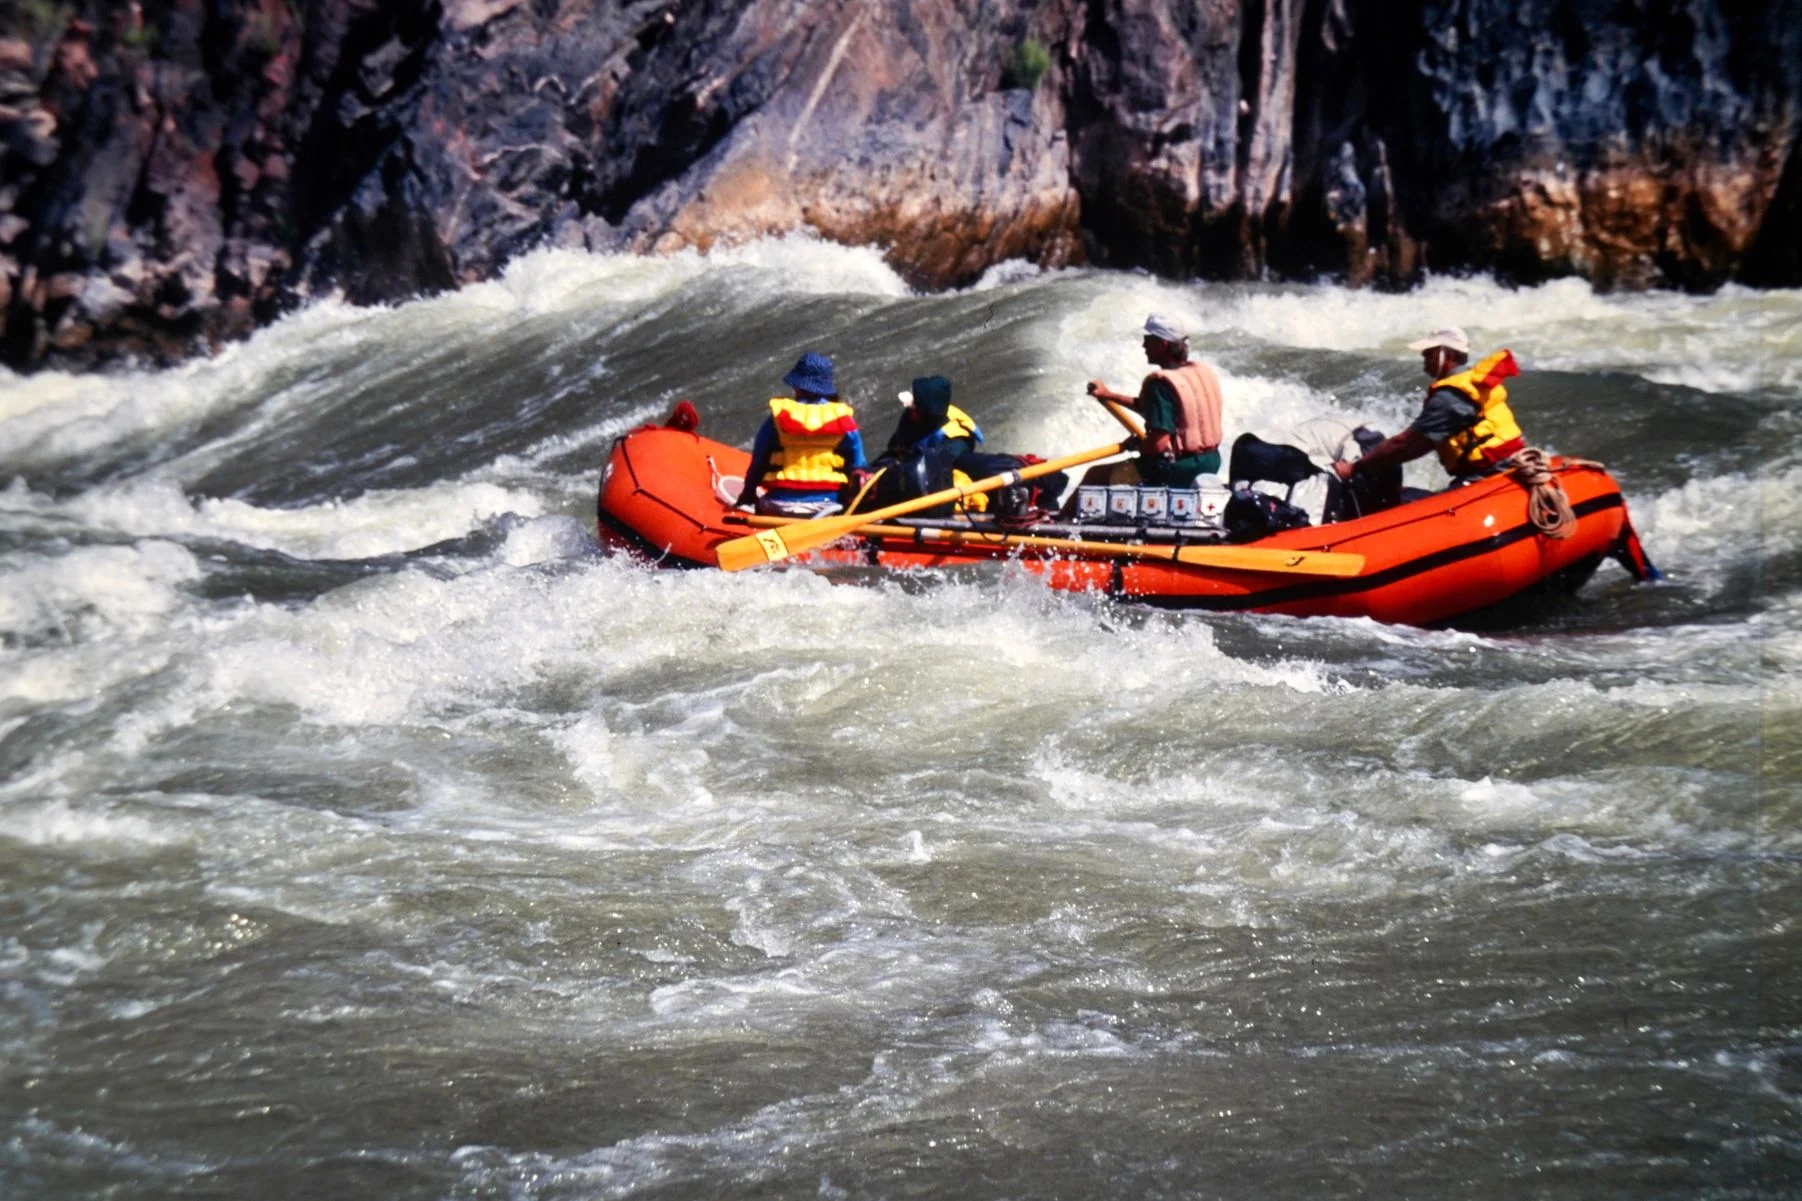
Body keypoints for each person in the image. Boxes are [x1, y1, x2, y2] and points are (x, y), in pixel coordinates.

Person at [1333, 326, 1524, 491]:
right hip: (1504, 465)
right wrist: (1377, 465)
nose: (1424, 359)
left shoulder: (1449, 397)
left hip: (1489, 473)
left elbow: (1403, 443)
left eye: (1429, 354)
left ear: (1447, 355)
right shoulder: (1471, 382)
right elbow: (1421, 445)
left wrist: (1354, 469)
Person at [872, 374, 1067, 517]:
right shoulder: (912, 419)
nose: (910, 406)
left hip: (955, 468)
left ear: (924, 412)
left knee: (974, 470)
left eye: (915, 404)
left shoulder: (954, 441)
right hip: (926, 457)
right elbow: (896, 449)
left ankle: (1033, 483)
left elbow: (973, 465)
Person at [1083, 314, 1226, 488]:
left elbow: (1158, 444)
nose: (1144, 346)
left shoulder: (1159, 384)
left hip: (1175, 469)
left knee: (1095, 476)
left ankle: (1064, 516)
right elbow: (1155, 409)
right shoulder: (1201, 372)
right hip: (1210, 463)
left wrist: (1138, 446)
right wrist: (1108, 395)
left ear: (1162, 344)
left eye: (1147, 340)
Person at [739, 351, 868, 517]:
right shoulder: (844, 422)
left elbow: (758, 462)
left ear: (797, 386)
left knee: (761, 504)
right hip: (829, 507)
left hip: (780, 505)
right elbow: (859, 467)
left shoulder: (777, 419)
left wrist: (747, 495)